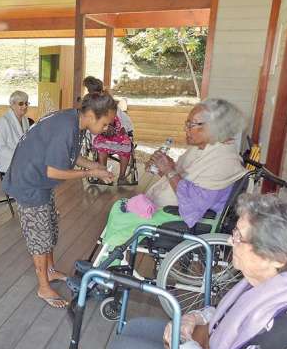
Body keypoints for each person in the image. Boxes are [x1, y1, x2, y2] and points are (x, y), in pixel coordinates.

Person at [108, 193, 287, 349]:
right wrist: (194, 319)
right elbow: (228, 315)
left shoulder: (286, 322)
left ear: (276, 257)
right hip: (212, 345)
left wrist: (185, 346)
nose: (231, 242)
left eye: (239, 237)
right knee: (134, 329)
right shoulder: (280, 280)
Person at [3, 92, 117, 308]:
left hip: (39, 179)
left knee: (49, 227)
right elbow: (55, 171)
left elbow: (70, 156)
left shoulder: (74, 120)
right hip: (29, 181)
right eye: (104, 124)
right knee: (39, 235)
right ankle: (43, 287)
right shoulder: (66, 127)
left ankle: (51, 270)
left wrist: (95, 166)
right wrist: (89, 174)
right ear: (92, 115)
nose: (106, 128)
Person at [102, 98, 246, 248]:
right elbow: (185, 179)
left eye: (191, 125)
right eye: (187, 124)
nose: (186, 129)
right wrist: (164, 168)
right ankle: (107, 261)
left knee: (122, 225)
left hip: (184, 220)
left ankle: (107, 264)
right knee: (119, 207)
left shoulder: (223, 162)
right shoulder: (205, 149)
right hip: (173, 211)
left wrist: (170, 171)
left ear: (214, 127)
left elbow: (193, 206)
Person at [83, 76, 134, 186]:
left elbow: (123, 119)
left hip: (117, 134)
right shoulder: (89, 104)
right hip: (100, 135)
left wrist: (123, 129)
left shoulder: (109, 103)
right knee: (102, 146)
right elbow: (88, 124)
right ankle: (103, 175)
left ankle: (121, 177)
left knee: (126, 145)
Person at [0, 90, 31, 172]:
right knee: (36, 170)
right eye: (21, 103)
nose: (25, 106)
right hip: (8, 160)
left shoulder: (25, 119)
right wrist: (19, 156)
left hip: (23, 158)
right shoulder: (3, 121)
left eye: (26, 103)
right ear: (13, 105)